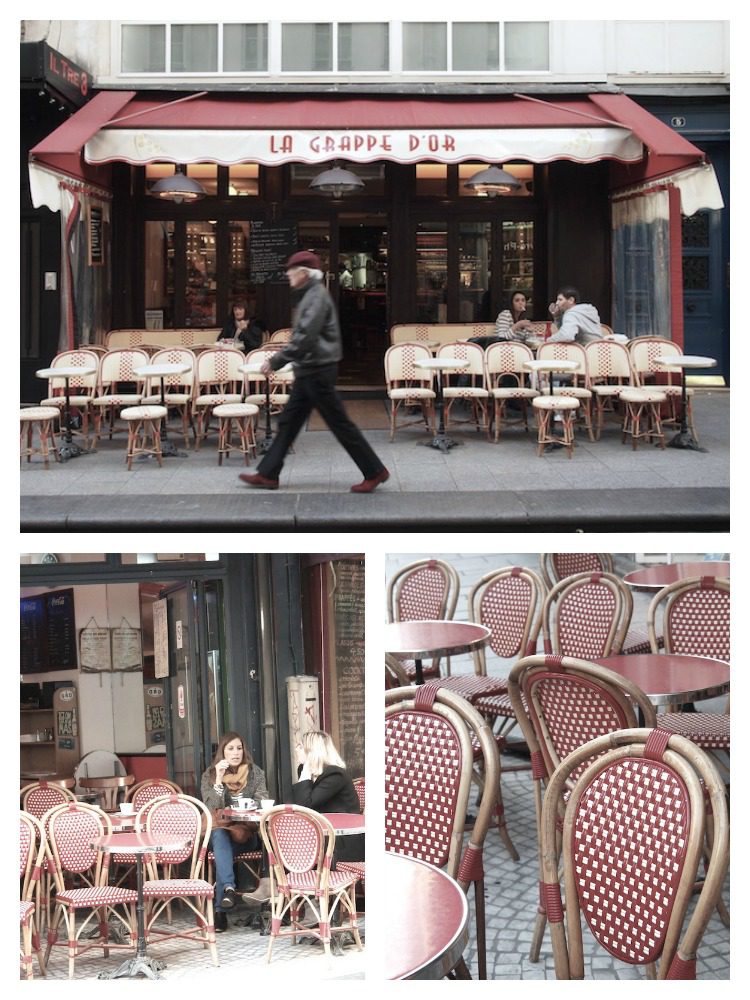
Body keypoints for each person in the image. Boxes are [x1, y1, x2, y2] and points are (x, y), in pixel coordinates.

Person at [238, 250, 390, 493]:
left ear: (303, 273)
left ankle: (375, 471)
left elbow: (304, 337)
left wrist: (275, 361)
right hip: (310, 369)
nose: (288, 275)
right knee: (288, 422)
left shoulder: (316, 296)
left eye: (291, 271)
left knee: (340, 424)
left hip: (317, 370)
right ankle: (268, 473)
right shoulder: (311, 295)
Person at [200, 732, 269, 932]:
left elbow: (262, 799)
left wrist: (243, 805)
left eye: (239, 748)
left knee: (222, 841)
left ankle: (221, 908)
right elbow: (212, 806)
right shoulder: (210, 775)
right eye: (230, 748)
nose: (235, 753)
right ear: (222, 752)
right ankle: (227, 892)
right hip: (220, 834)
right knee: (220, 836)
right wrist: (219, 780)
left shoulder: (255, 773)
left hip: (245, 834)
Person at [290, 730, 364, 865]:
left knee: (294, 844)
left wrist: (305, 771)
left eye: (300, 746)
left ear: (311, 751)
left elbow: (305, 805)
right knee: (277, 836)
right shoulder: (310, 774)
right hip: (322, 835)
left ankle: (303, 882)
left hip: (342, 841)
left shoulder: (335, 775)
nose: (296, 749)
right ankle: (273, 880)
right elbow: (295, 803)